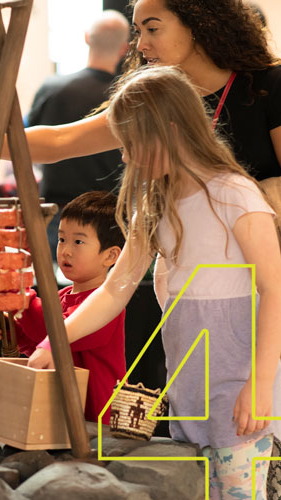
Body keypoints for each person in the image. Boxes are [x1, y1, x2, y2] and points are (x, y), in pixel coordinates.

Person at [34, 66, 281, 499]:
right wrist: (57, 339)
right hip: (188, 394)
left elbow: (276, 290)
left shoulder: (235, 193)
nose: (125, 157)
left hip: (240, 395)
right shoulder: (155, 201)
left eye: (131, 144)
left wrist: (259, 386)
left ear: (168, 129)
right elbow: (115, 289)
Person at [0, 0, 281, 188]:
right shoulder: (154, 101)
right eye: (138, 31)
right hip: (193, 273)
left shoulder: (269, 84)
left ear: (198, 24)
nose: (141, 45)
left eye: (153, 28)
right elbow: (62, 140)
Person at [0, 191, 126, 425]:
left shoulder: (106, 306)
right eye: (62, 239)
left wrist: (21, 298)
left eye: (78, 241)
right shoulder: (60, 297)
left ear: (110, 256)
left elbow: (55, 329)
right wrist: (15, 329)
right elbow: (40, 345)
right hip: (63, 413)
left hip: (96, 418)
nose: (66, 250)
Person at [25, 10, 129, 259]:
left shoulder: (52, 89)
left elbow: (31, 143)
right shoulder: (126, 96)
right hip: (109, 218)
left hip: (57, 214)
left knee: (53, 292)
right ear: (125, 48)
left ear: (86, 38)